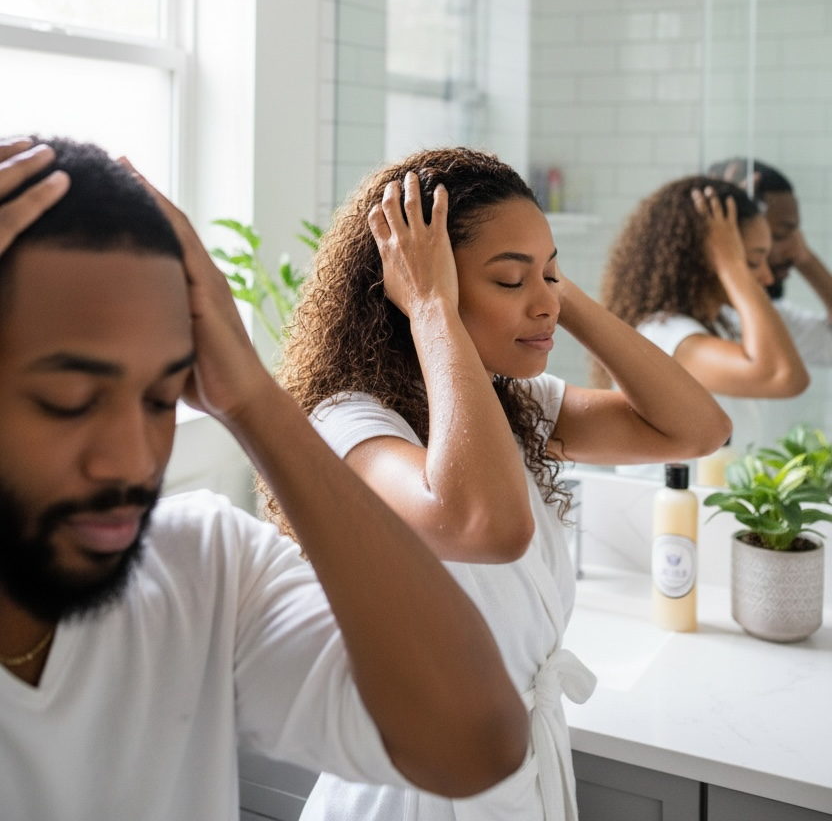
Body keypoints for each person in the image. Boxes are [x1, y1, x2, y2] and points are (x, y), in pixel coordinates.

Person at [0, 136, 530, 821]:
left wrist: (250, 395)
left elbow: (477, 742)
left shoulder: (206, 569)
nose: (132, 462)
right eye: (70, 402)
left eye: (162, 399)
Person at [266, 147, 730, 821]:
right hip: (415, 798)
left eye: (552, 274)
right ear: (412, 285)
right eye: (510, 282)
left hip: (516, 776)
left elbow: (698, 429)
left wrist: (551, 294)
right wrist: (431, 308)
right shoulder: (347, 428)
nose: (544, 302)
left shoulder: (513, 405)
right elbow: (485, 525)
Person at [599, 175, 808, 457]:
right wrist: (732, 265)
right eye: (752, 261)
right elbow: (784, 376)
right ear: (706, 259)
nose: (768, 277)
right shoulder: (665, 337)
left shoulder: (717, 326)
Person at [708, 158, 832, 367]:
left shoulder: (772, 316)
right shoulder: (686, 322)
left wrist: (807, 260)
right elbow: (784, 379)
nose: (796, 247)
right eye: (781, 233)